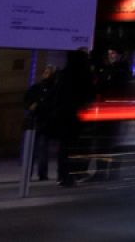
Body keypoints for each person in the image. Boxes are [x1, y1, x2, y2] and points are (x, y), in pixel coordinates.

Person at [50, 50, 95, 187]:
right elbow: (89, 95)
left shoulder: (63, 75)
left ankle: (62, 175)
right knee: (76, 148)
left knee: (64, 148)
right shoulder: (83, 75)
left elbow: (56, 96)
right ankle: (72, 175)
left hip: (64, 117)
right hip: (76, 117)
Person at [24, 66, 57, 181]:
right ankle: (31, 173)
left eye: (48, 72)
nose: (45, 74)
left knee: (41, 149)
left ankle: (41, 174)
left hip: (43, 122)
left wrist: (35, 106)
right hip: (37, 121)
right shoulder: (38, 87)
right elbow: (27, 100)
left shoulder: (52, 89)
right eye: (45, 72)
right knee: (33, 149)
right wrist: (30, 106)